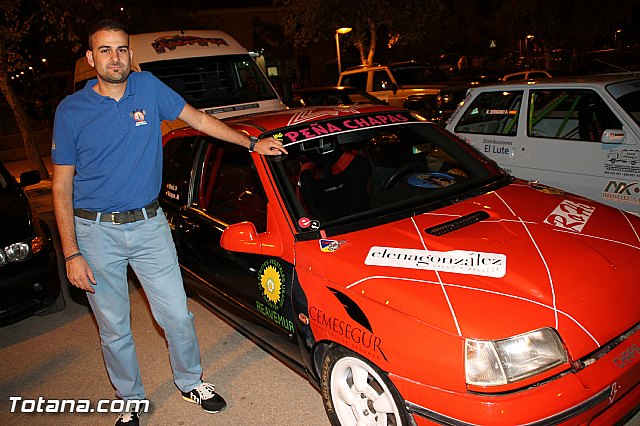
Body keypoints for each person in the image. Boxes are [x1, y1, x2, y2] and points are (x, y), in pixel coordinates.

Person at [51, 19, 286, 426]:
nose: (114, 58)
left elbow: (198, 119)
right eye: (104, 50)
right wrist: (71, 252)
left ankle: (190, 380)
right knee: (114, 328)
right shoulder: (71, 111)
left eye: (121, 49)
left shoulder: (148, 88)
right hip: (95, 232)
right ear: (91, 59)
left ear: (130, 54)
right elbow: (60, 186)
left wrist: (251, 143)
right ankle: (130, 399)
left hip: (149, 225)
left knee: (177, 314)